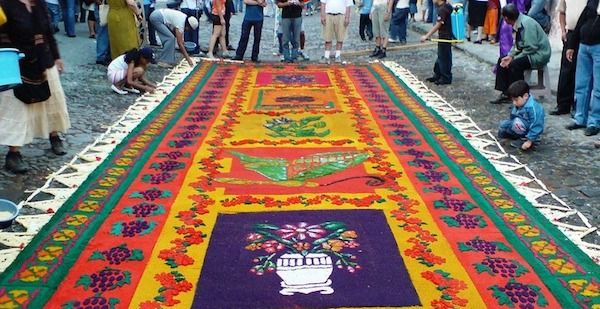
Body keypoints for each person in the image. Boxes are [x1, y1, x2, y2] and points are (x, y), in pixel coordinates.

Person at [0, 0, 71, 173]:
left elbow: (48, 32)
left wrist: (56, 56)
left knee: (53, 100)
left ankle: (54, 137)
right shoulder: (5, 4)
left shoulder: (39, 4)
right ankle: (13, 154)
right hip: (16, 64)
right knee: (16, 108)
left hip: (44, 60)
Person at [490, 4, 551, 104]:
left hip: (539, 54)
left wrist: (514, 58)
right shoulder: (519, 23)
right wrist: (510, 56)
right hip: (529, 51)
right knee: (502, 59)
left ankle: (519, 94)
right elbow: (517, 45)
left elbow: (531, 47)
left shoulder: (526, 24)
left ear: (506, 18)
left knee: (515, 64)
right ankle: (506, 93)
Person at [565, 0, 600, 136]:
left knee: (598, 88)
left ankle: (595, 122)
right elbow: (582, 20)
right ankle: (580, 118)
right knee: (581, 85)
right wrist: (572, 45)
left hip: (598, 47)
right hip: (584, 46)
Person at [552, 0, 586, 115]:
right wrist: (562, 30)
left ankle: (579, 105)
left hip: (586, 33)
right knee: (566, 69)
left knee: (582, 71)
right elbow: (562, 12)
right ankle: (563, 104)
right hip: (570, 32)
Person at [498, 80, 545, 151]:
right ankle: (515, 136)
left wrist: (529, 141)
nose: (514, 103)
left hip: (528, 129)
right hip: (520, 124)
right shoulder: (520, 103)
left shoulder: (533, 108)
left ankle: (527, 140)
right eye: (513, 100)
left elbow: (537, 125)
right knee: (503, 125)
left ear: (525, 96)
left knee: (517, 124)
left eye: (516, 100)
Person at [420, 0, 453, 85]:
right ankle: (438, 74)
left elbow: (438, 24)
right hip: (444, 35)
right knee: (441, 56)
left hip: (445, 36)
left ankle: (446, 77)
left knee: (444, 57)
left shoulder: (443, 9)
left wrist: (426, 36)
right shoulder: (445, 6)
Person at [95, 0, 111, 65]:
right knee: (103, 31)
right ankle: (102, 56)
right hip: (105, 6)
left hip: (104, 5)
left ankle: (102, 55)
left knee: (103, 32)